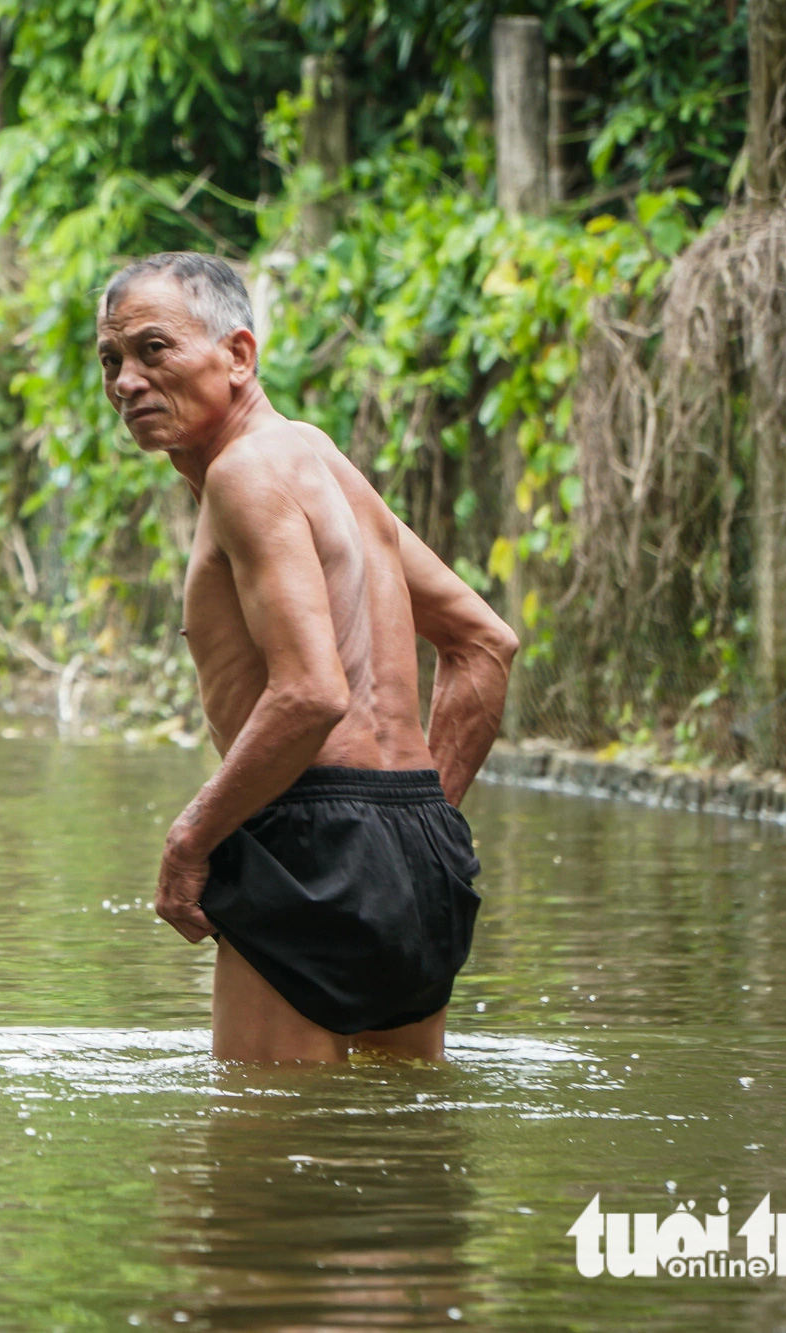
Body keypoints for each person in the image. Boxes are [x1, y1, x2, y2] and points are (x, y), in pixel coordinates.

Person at [95, 253, 518, 1063]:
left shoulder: (245, 473)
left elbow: (310, 693)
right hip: (416, 849)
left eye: (154, 349)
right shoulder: (318, 460)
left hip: (311, 836)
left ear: (239, 355)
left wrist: (190, 841)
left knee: (256, 1170)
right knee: (399, 1157)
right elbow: (484, 643)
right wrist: (418, 821)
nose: (126, 381)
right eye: (112, 360)